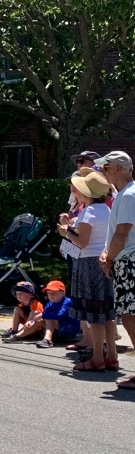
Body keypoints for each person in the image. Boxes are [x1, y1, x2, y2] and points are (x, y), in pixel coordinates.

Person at [57, 169, 118, 370]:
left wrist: (66, 233)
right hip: (103, 262)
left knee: (94, 314)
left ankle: (97, 358)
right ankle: (111, 356)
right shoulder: (106, 209)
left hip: (89, 264)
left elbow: (82, 242)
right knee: (107, 312)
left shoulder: (89, 211)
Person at [95, 151, 135, 389]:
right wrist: (107, 253)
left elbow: (122, 234)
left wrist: (107, 258)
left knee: (130, 316)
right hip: (125, 259)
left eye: (106, 167)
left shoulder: (129, 195)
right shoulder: (124, 194)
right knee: (129, 316)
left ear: (119, 169)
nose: (103, 171)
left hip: (129, 262)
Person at [37, 280, 80, 348]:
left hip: (70, 330)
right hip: (59, 327)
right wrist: (32, 321)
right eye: (49, 293)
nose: (51, 295)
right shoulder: (51, 302)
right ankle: (19, 335)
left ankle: (47, 340)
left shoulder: (67, 301)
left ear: (63, 293)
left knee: (49, 318)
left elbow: (59, 315)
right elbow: (44, 312)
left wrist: (42, 315)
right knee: (39, 320)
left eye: (54, 293)